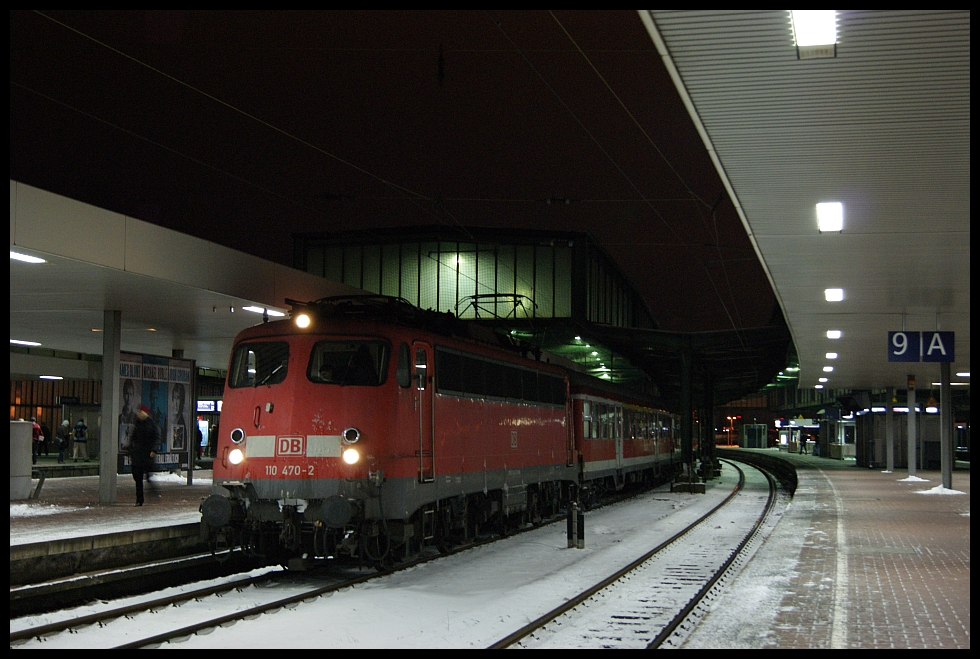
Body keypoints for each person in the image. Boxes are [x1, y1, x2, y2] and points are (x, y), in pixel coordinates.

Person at [130, 404, 160, 506]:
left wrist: (154, 450)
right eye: (139, 412)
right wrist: (130, 449)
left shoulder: (151, 424)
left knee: (145, 474)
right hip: (137, 454)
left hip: (147, 454)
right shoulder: (137, 424)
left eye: (141, 412)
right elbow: (133, 438)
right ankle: (139, 499)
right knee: (137, 477)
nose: (139, 414)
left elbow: (156, 437)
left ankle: (147, 494)